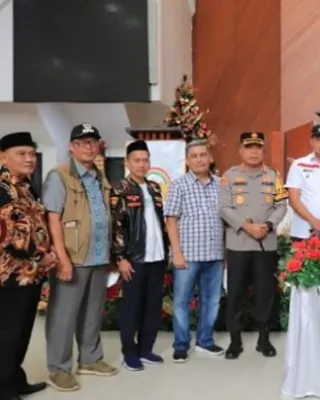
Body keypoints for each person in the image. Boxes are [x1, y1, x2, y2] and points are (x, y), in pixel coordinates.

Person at [43, 123, 118, 392]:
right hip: (73, 258)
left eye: (92, 142)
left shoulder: (99, 176)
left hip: (97, 256)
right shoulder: (59, 175)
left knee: (92, 312)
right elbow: (53, 218)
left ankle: (90, 358)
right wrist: (62, 258)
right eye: (82, 142)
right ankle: (59, 369)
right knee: (63, 316)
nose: (88, 146)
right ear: (71, 146)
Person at [219, 132, 288, 359]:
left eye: (258, 147)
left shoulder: (273, 176)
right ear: (241, 150)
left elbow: (281, 206)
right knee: (236, 294)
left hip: (265, 246)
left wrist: (268, 225)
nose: (253, 151)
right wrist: (247, 227)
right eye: (249, 147)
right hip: (238, 245)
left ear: (263, 151)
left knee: (265, 295)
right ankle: (235, 342)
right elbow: (224, 208)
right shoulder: (229, 176)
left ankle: (264, 339)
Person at [0, 132, 57, 400]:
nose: (29, 158)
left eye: (32, 154)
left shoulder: (25, 186)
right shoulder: (1, 188)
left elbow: (37, 222)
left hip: (30, 275)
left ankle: (15, 381)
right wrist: (40, 256)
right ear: (2, 156)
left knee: (21, 332)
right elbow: (8, 234)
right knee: (7, 334)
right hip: (9, 275)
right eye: (21, 153)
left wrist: (51, 250)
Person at [110, 140, 169, 371]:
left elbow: (160, 222)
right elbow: (115, 226)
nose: (142, 164)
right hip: (133, 259)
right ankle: (129, 353)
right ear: (127, 162)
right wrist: (120, 257)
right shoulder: (119, 190)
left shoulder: (154, 188)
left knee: (153, 306)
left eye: (145, 160)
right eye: (137, 160)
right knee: (131, 307)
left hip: (157, 257)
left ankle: (146, 349)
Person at [164, 139, 225, 363]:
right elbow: (171, 220)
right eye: (194, 156)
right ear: (188, 161)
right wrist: (177, 253)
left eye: (203, 155)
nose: (199, 159)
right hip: (188, 255)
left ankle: (205, 341)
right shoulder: (179, 184)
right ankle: (181, 345)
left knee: (212, 301)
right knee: (181, 301)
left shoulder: (221, 184)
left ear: (210, 158)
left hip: (215, 254)